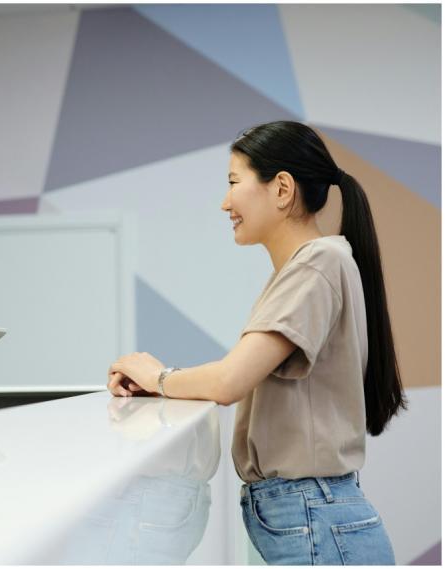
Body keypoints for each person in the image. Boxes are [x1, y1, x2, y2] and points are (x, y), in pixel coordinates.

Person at [107, 121, 405, 565]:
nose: (225, 202)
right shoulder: (309, 267)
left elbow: (230, 381)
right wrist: (165, 384)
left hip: (313, 515)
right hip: (312, 515)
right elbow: (239, 373)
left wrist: (159, 376)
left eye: (233, 183)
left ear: (282, 189)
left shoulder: (317, 263)